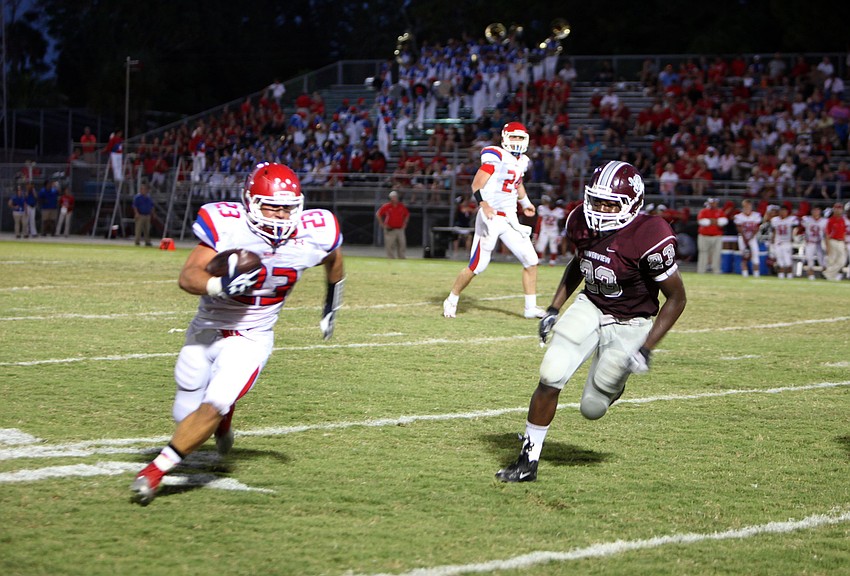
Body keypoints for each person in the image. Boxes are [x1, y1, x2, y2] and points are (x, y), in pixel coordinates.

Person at [131, 162, 345, 505]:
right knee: (184, 415)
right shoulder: (228, 224)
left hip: (253, 336)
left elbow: (334, 261)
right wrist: (219, 284)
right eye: (272, 205)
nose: (280, 214)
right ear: (249, 201)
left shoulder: (315, 231)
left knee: (214, 402)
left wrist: (331, 305)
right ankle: (223, 421)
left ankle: (155, 472)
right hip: (207, 328)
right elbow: (188, 276)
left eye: (288, 207)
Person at [495, 160, 686, 483]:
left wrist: (647, 348)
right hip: (592, 304)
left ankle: (614, 376)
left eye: (611, 203)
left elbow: (677, 298)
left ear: (633, 204)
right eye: (597, 200)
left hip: (632, 321)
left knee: (592, 407)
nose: (601, 209)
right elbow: (579, 263)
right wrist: (555, 308)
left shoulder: (651, 235)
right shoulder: (580, 220)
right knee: (551, 374)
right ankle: (528, 460)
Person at [442, 122, 545, 319]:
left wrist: (525, 203)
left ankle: (530, 308)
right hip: (491, 216)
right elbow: (476, 183)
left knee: (531, 261)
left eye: (520, 138)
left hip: (509, 218)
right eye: (513, 137)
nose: (516, 141)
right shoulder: (495, 155)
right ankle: (452, 298)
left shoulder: (523, 161)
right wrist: (484, 204)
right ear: (505, 137)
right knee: (478, 266)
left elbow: (517, 183)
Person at [696, 198, 727, 274]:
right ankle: (701, 271)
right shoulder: (703, 211)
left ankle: (716, 271)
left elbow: (723, 222)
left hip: (717, 236)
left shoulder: (720, 211)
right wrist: (715, 221)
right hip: (704, 236)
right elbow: (702, 222)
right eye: (711, 203)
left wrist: (710, 221)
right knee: (703, 254)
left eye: (714, 203)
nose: (713, 204)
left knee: (716, 254)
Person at [376, 190, 409, 259]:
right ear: (390, 198)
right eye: (393, 197)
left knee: (402, 243)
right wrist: (382, 224)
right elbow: (378, 214)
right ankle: (391, 257)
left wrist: (405, 223)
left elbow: (407, 214)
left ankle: (401, 257)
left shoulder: (401, 206)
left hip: (400, 228)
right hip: (390, 229)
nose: (395, 198)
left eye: (395, 197)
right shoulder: (387, 206)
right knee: (390, 245)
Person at [733, 199, 763, 277]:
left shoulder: (756, 215)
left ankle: (756, 274)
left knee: (755, 255)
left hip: (752, 238)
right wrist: (745, 239)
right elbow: (739, 228)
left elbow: (757, 228)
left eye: (748, 206)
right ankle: (745, 274)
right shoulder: (739, 216)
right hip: (742, 238)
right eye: (745, 206)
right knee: (744, 256)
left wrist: (750, 237)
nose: (747, 208)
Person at [534, 195, 566, 267]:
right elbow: (539, 221)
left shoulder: (559, 211)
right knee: (540, 245)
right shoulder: (542, 208)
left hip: (554, 231)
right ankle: (539, 259)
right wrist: (536, 232)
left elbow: (561, 223)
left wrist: (560, 234)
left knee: (553, 246)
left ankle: (552, 261)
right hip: (544, 230)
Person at [769, 204, 799, 278]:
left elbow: (796, 228)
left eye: (784, 211)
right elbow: (774, 231)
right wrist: (772, 241)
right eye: (781, 211)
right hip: (778, 242)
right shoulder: (775, 220)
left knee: (788, 261)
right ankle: (781, 275)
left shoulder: (791, 219)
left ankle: (789, 276)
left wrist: (793, 236)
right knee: (779, 261)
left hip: (787, 242)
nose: (783, 213)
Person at [800, 206, 827, 280]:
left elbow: (826, 233)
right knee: (809, 260)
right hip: (810, 242)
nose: (816, 212)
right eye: (814, 210)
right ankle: (811, 276)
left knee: (823, 260)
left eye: (817, 210)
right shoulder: (807, 219)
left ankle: (825, 275)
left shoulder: (824, 221)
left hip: (820, 242)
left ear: (820, 211)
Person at [823, 202, 847, 281]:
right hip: (832, 241)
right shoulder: (831, 220)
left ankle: (827, 273)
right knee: (832, 259)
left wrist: (844, 242)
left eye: (839, 208)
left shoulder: (842, 220)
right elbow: (827, 234)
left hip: (840, 242)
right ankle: (831, 277)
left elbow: (843, 232)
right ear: (834, 209)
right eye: (836, 208)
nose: (838, 210)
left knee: (842, 261)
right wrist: (827, 246)